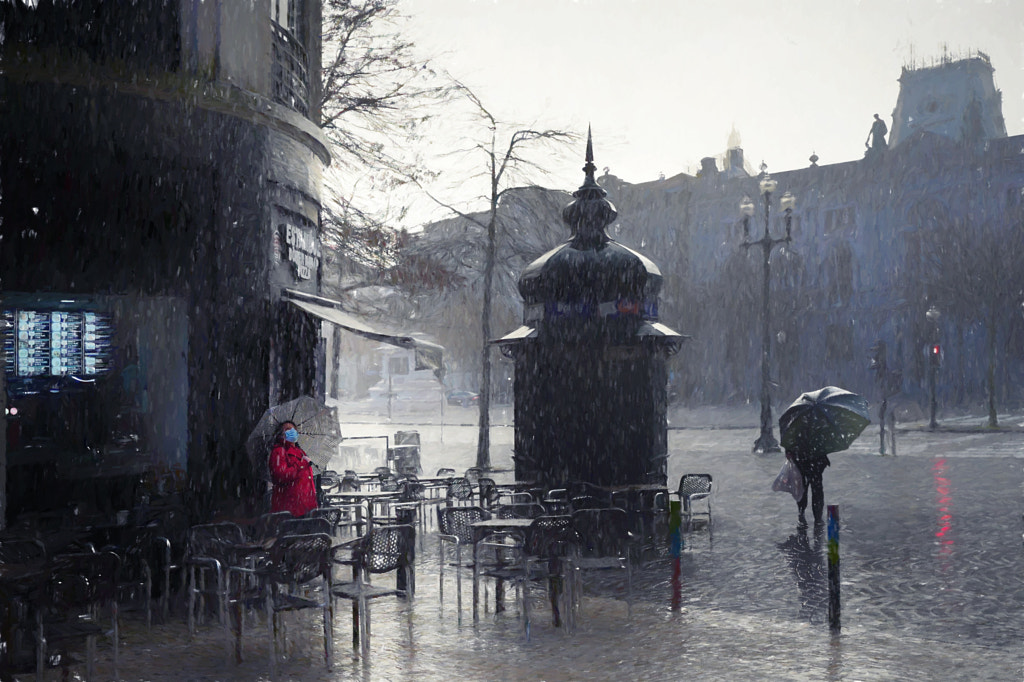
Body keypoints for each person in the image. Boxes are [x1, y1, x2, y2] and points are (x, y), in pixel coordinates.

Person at [269, 420, 318, 517]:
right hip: (291, 507)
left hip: (306, 506)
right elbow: (281, 476)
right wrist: (302, 464)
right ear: (281, 434)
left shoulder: (300, 451)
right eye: (287, 429)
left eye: (294, 429)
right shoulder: (279, 451)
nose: (292, 431)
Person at [786, 448, 830, 524]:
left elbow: (788, 437)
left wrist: (789, 451)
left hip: (802, 457)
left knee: (803, 487)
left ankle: (803, 513)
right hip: (814, 458)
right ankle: (816, 517)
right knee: (815, 489)